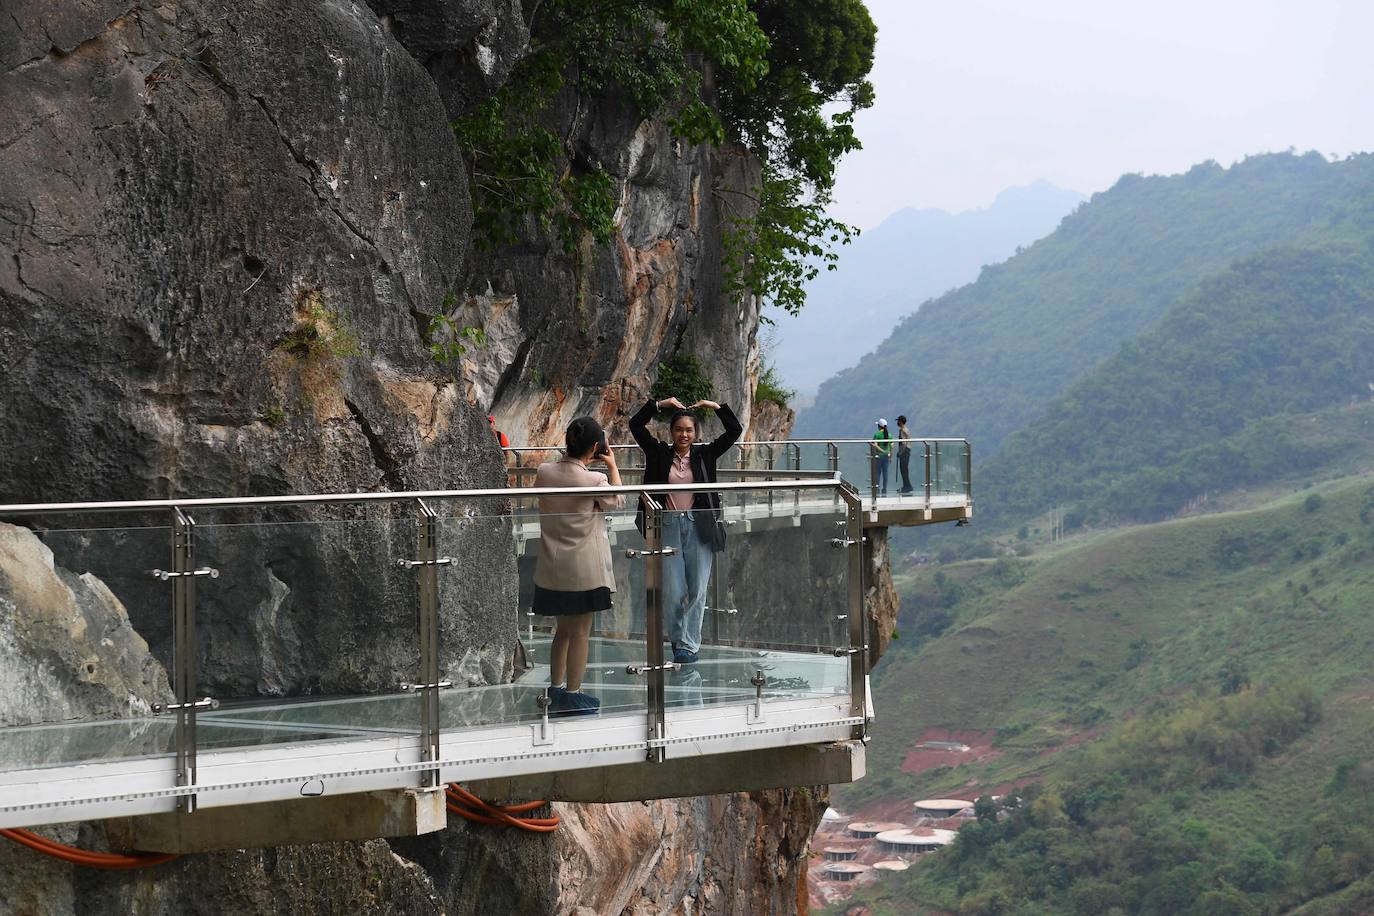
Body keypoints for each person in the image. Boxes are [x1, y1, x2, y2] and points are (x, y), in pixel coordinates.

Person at [630, 394, 743, 665]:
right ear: (671, 432)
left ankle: (689, 645)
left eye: (689, 430)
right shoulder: (658, 453)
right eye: (679, 429)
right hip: (666, 524)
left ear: (696, 433)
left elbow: (734, 431)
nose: (684, 434)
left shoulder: (705, 454)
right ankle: (677, 637)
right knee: (674, 589)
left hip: (699, 525)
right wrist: (659, 405)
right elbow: (636, 425)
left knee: (698, 588)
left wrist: (715, 407)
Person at [532, 417, 623, 715]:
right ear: (596, 447)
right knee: (581, 632)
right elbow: (616, 500)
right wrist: (611, 466)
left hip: (552, 568)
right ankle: (574, 692)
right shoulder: (594, 480)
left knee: (562, 631)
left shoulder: (544, 472)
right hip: (584, 570)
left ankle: (556, 687)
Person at [872, 418, 893, 496]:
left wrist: (881, 451)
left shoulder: (877, 434)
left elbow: (875, 445)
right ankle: (884, 489)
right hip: (886, 456)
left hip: (878, 456)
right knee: (885, 473)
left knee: (877, 473)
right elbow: (891, 446)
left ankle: (877, 489)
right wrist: (890, 455)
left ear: (879, 426)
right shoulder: (890, 435)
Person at [896, 415, 914, 495]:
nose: (897, 422)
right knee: (905, 470)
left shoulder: (902, 430)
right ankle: (906, 485)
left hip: (904, 452)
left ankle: (907, 486)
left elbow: (903, 443)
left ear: (900, 421)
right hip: (907, 450)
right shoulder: (907, 429)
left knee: (903, 470)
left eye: (898, 421)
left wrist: (900, 453)